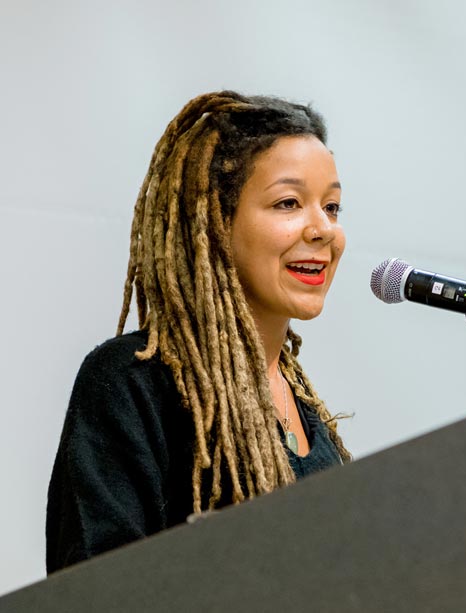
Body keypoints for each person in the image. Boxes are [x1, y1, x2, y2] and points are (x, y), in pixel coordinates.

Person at [46, 91, 352, 573]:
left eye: (332, 207)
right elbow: (95, 590)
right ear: (215, 222)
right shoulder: (133, 383)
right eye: (289, 202)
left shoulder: (305, 409)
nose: (323, 230)